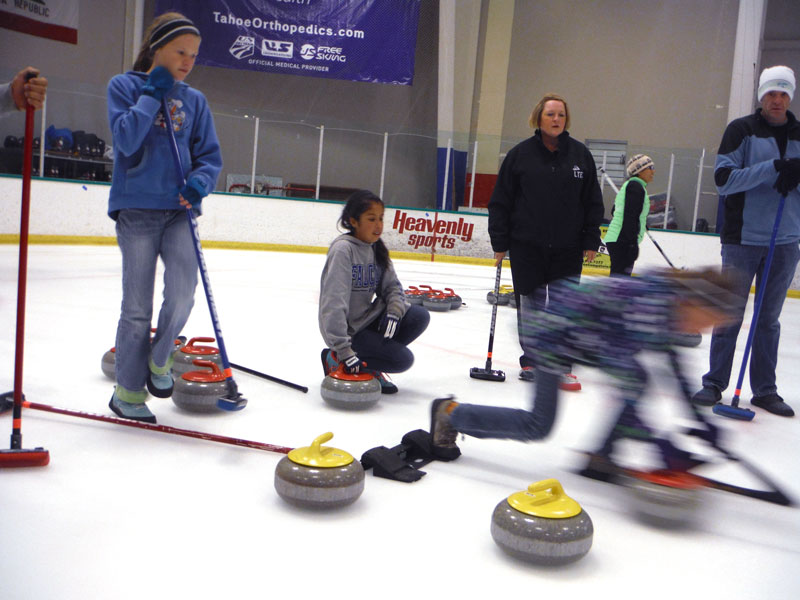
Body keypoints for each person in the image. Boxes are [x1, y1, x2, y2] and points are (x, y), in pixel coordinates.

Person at [428, 269, 740, 470]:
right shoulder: (652, 306)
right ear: (696, 303)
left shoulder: (671, 307)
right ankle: (451, 413)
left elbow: (673, 369)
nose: (706, 329)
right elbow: (624, 375)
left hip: (586, 337)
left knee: (638, 381)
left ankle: (601, 455)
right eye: (708, 321)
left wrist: (698, 420)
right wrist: (655, 440)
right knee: (539, 425)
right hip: (551, 333)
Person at [106, 12, 222, 423]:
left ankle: (160, 356)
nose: (188, 61)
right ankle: (127, 392)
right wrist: (151, 95)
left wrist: (200, 182)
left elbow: (210, 156)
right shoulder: (124, 87)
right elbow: (125, 140)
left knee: (183, 293)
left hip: (179, 211)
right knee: (136, 309)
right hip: (137, 211)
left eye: (194, 54)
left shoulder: (195, 100)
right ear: (157, 48)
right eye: (180, 51)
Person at [691, 65, 800, 418]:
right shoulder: (741, 130)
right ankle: (714, 383)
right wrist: (773, 169)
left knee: (768, 319)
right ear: (761, 96)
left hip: (784, 241)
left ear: (791, 96)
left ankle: (765, 390)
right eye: (771, 93)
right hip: (742, 240)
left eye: (784, 93)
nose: (777, 99)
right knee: (729, 314)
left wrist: (795, 178)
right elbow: (724, 180)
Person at [488, 93, 604, 391]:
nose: (556, 120)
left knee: (565, 306)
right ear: (538, 118)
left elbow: (593, 202)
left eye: (561, 115)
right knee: (532, 304)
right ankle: (533, 359)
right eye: (551, 114)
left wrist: (591, 238)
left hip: (569, 247)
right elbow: (501, 201)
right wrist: (500, 241)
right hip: (527, 245)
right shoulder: (519, 155)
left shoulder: (580, 156)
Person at [319, 190, 430, 393]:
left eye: (381, 218)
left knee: (418, 316)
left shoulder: (375, 247)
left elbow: (393, 287)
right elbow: (333, 303)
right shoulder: (344, 251)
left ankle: (372, 363)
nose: (378, 225)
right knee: (402, 360)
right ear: (353, 221)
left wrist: (394, 313)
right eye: (371, 219)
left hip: (368, 321)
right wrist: (343, 349)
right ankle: (336, 358)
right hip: (350, 332)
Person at [603, 154, 654, 276]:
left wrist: (641, 222)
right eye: (650, 167)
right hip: (622, 240)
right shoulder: (636, 187)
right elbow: (629, 217)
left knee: (618, 278)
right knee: (620, 280)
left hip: (618, 239)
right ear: (639, 170)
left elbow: (616, 210)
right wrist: (632, 244)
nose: (653, 171)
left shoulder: (630, 186)